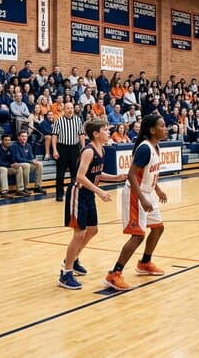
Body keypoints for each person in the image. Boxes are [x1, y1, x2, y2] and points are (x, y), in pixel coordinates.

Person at [58, 120, 127, 289]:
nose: (108, 132)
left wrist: (114, 177)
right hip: (78, 192)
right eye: (105, 130)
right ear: (96, 133)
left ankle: (73, 259)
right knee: (79, 233)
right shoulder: (88, 151)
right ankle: (65, 275)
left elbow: (96, 173)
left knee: (93, 230)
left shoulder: (101, 149)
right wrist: (100, 191)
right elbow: (81, 176)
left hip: (88, 193)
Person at [104, 114, 168, 291]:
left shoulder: (156, 147)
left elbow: (150, 173)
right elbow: (132, 175)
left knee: (158, 227)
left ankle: (145, 262)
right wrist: (142, 199)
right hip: (135, 193)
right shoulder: (144, 149)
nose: (166, 128)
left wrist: (158, 189)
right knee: (138, 235)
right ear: (152, 130)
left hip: (147, 192)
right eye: (162, 126)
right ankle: (114, 273)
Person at [51, 102, 84, 202]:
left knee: (75, 173)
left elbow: (81, 135)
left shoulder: (78, 120)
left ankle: (74, 193)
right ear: (64, 110)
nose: (70, 110)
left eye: (71, 108)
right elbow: (54, 136)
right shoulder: (59, 121)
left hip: (74, 148)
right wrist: (55, 150)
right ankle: (59, 195)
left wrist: (83, 148)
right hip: (62, 148)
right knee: (60, 173)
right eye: (68, 108)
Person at [11, 130, 44, 194]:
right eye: (22, 136)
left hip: (26, 163)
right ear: (18, 137)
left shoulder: (28, 145)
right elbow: (17, 159)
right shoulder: (14, 145)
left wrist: (34, 160)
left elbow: (31, 157)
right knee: (27, 165)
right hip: (17, 164)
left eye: (26, 136)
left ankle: (37, 186)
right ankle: (25, 188)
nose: (24, 138)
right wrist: (30, 161)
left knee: (39, 164)